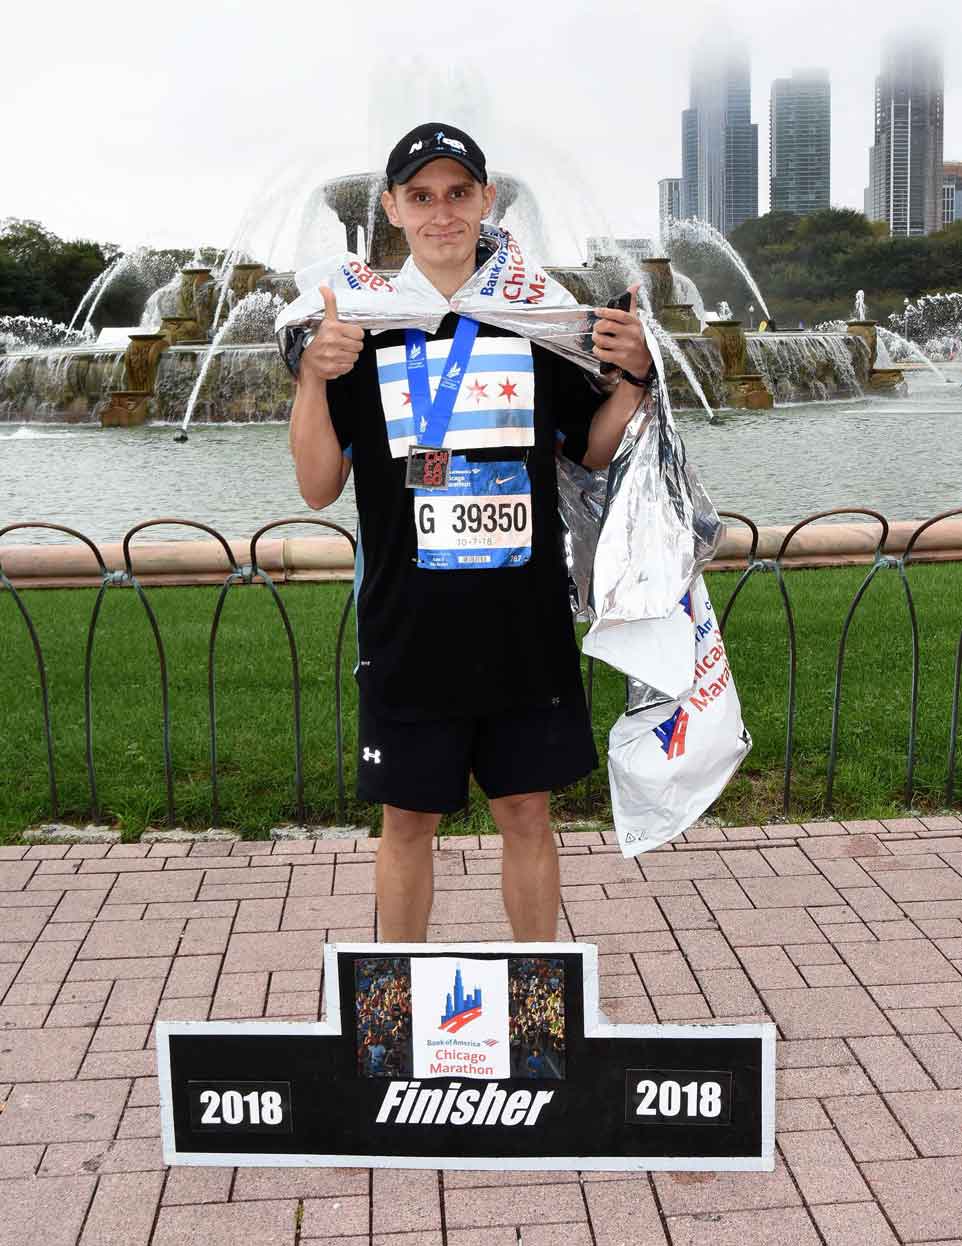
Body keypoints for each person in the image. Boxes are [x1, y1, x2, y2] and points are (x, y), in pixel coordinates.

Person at [288, 122, 653, 942]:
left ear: (487, 201)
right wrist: (312, 377)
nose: (442, 213)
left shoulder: (536, 324)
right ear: (392, 209)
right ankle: (395, 1011)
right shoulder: (361, 329)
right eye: (421, 196)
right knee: (407, 823)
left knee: (526, 811)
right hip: (408, 624)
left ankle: (538, 1006)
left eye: (458, 193)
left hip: (523, 623)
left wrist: (631, 380)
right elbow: (317, 486)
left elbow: (589, 452)